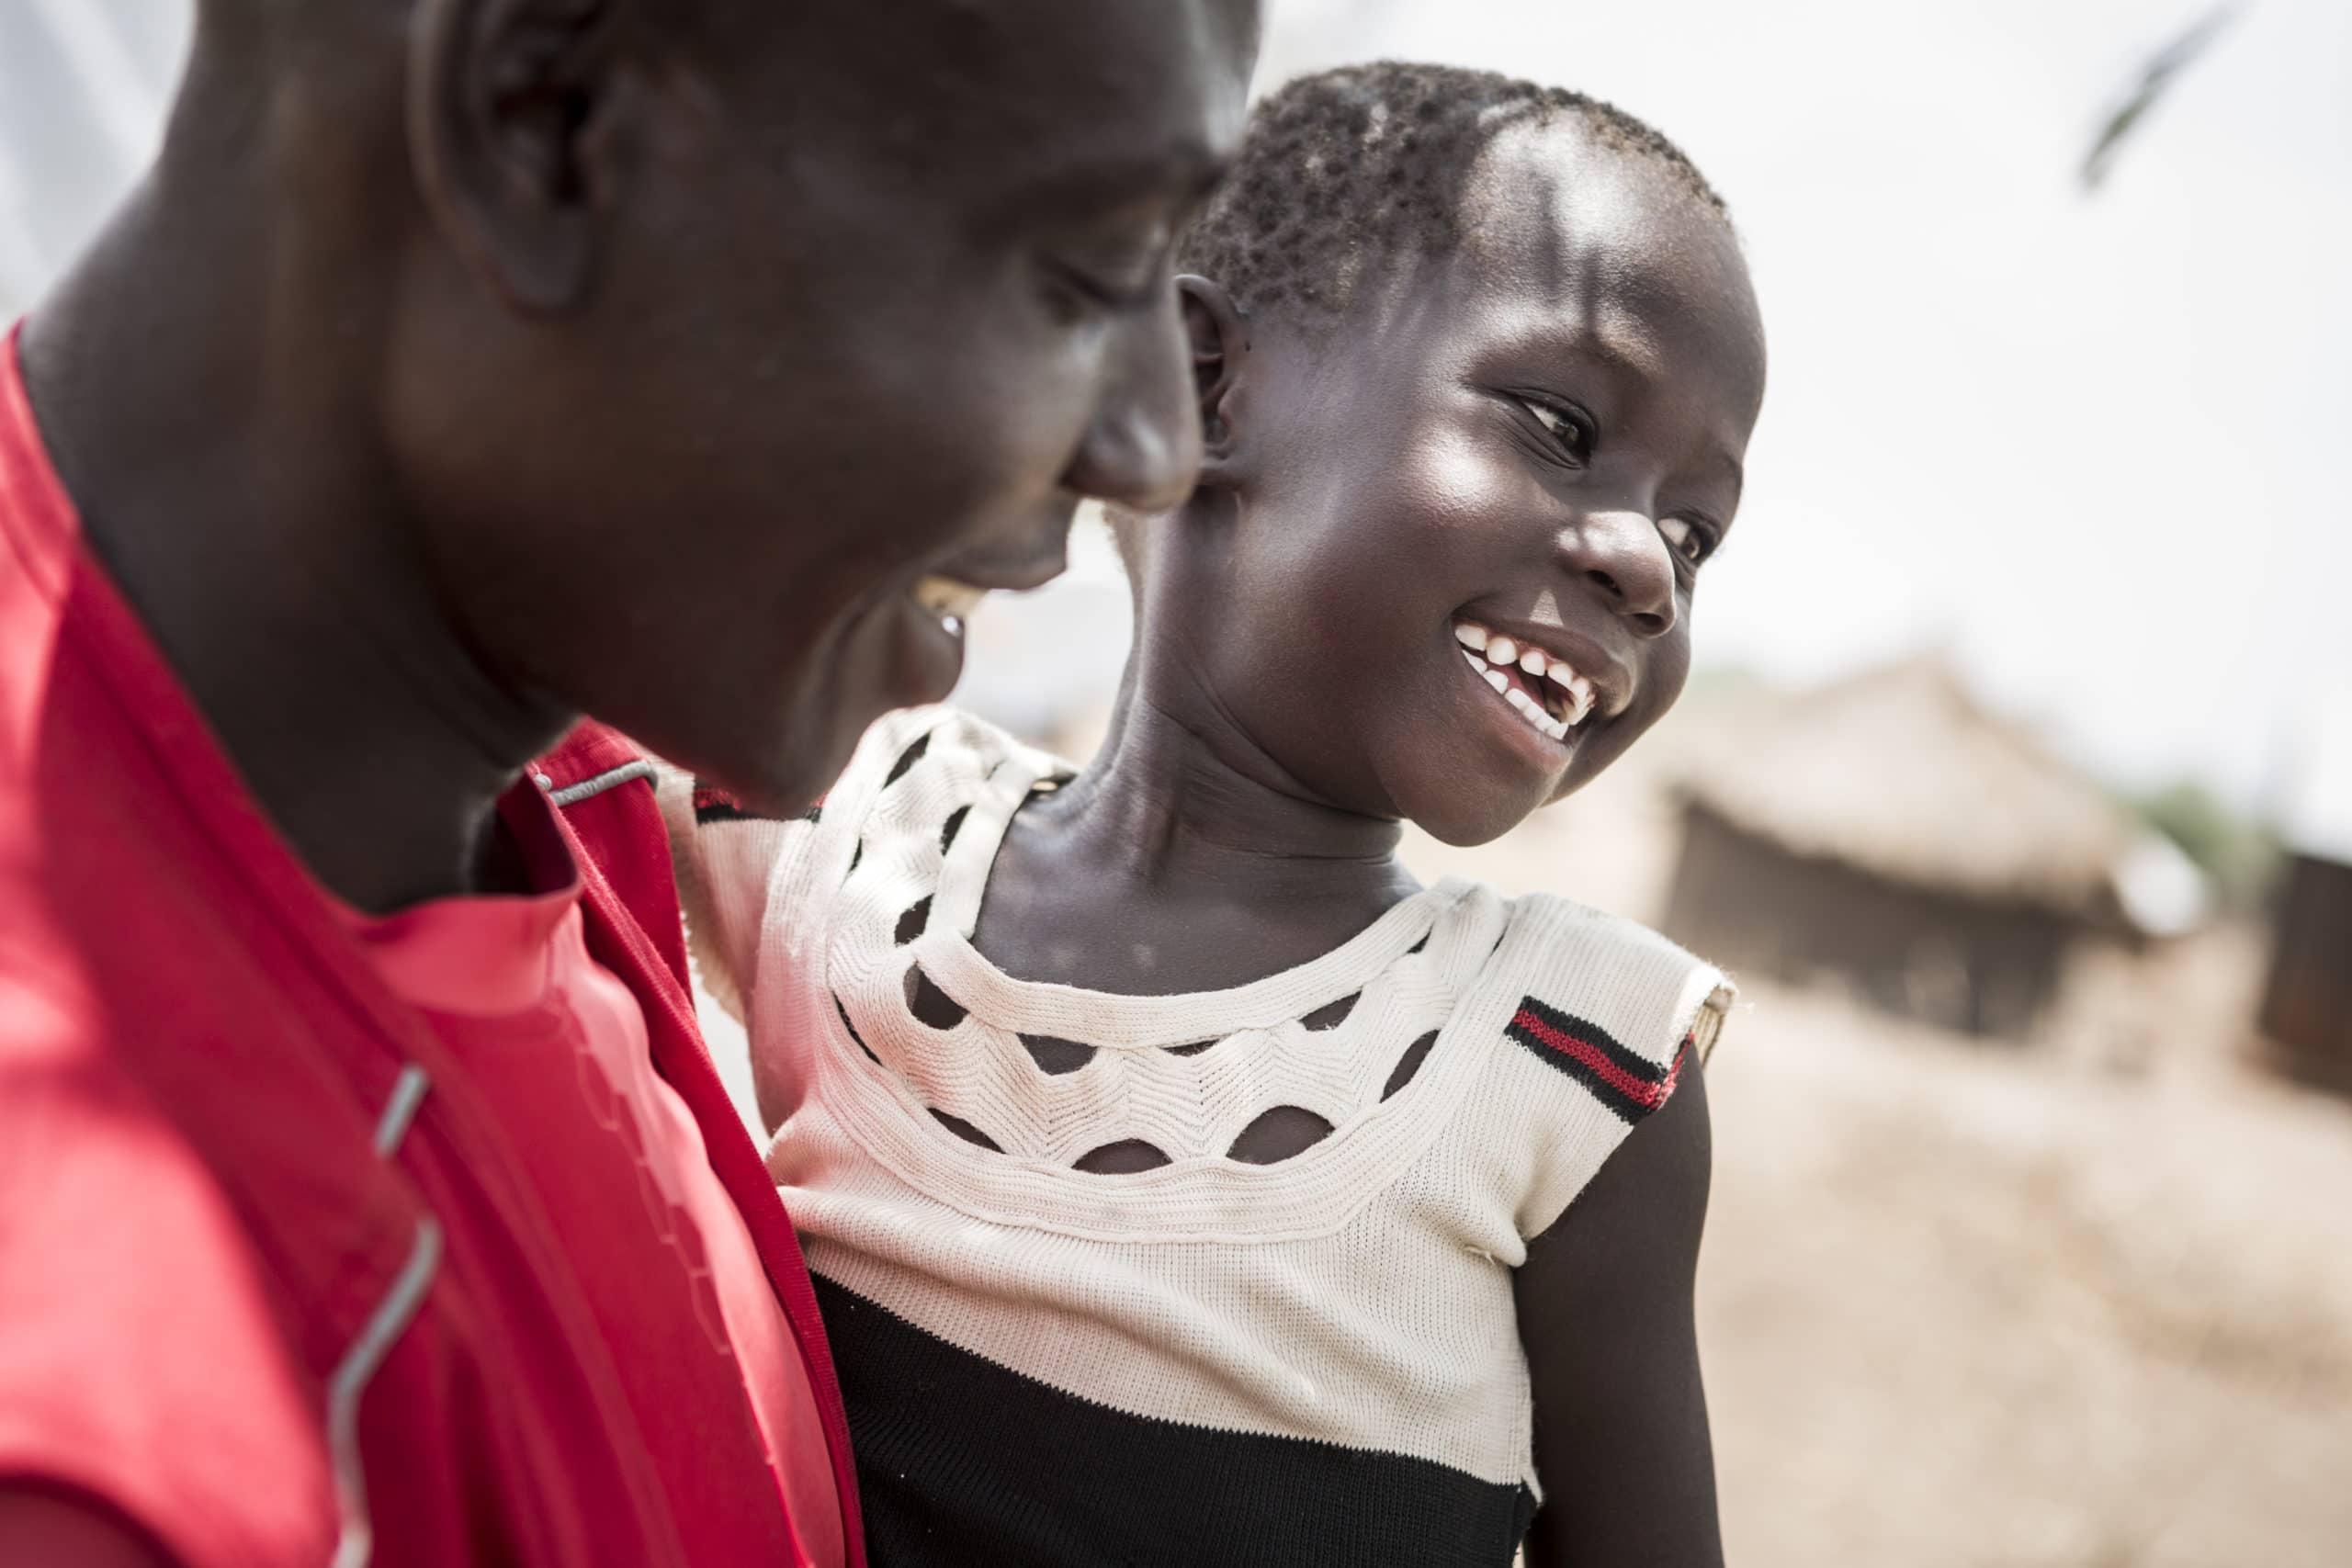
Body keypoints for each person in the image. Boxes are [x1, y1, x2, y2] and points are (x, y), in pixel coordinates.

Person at [0, 0, 1258, 1562]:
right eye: (1088, 273)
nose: (1153, 446)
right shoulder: (118, 1439)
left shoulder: (545, 769)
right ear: (544, 119)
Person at [673, 62, 1768, 1566]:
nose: (1649, 564)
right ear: (1202, 384)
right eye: (1560, 426)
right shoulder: (847, 839)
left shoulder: (1567, 1070)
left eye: (1697, 535)